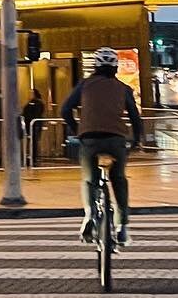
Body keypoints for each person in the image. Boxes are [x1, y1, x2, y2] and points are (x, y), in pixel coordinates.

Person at [61, 46, 143, 247]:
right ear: (115, 67)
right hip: (116, 139)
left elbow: (65, 109)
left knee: (90, 180)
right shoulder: (124, 88)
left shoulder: (85, 85)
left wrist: (79, 130)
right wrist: (136, 140)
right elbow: (135, 117)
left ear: (95, 66)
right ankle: (123, 227)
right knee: (119, 179)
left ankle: (89, 215)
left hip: (90, 139)